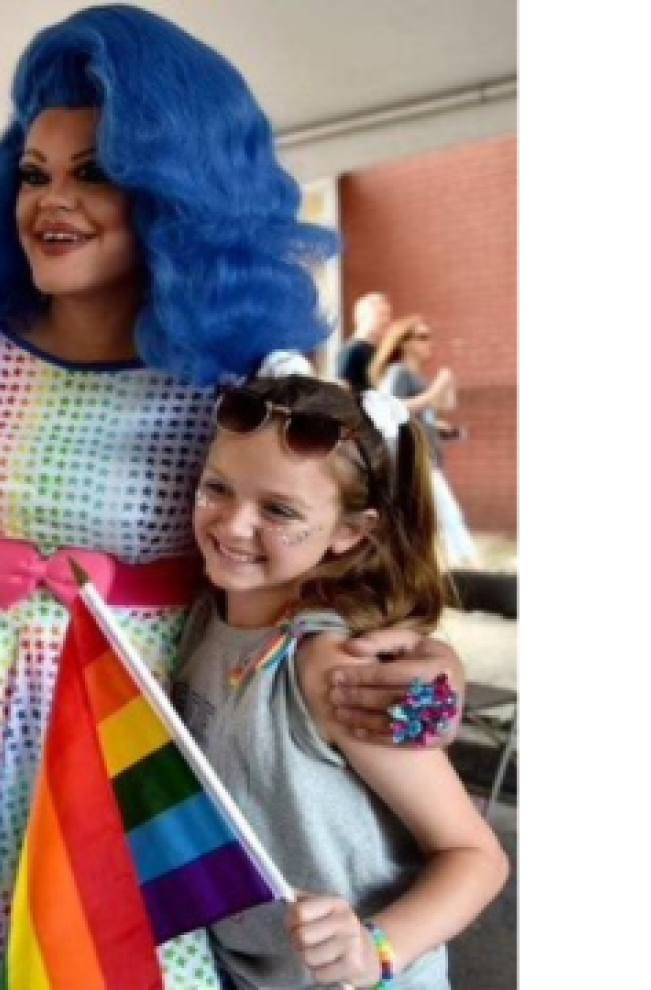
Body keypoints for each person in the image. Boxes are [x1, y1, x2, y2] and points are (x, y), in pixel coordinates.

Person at [0, 8, 469, 986]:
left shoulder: (245, 371)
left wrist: (418, 664)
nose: (50, 199)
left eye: (93, 171)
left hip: (155, 739)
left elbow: (332, 536)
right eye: (34, 172)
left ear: (176, 193)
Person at [178, 374, 508, 988]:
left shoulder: (329, 665)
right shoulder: (199, 618)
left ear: (350, 532)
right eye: (216, 489)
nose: (232, 524)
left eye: (279, 510)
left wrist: (376, 948)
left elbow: (476, 857)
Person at [369, 315, 478, 568]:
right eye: (422, 336)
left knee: (433, 517)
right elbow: (390, 407)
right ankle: (468, 564)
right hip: (414, 458)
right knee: (448, 513)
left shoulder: (419, 377)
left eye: (429, 336)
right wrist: (436, 389)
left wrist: (446, 385)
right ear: (404, 343)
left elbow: (445, 405)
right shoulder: (398, 372)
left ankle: (455, 568)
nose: (429, 342)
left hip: (429, 455)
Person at [337, 292, 392, 395]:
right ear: (362, 317)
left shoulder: (378, 351)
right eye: (381, 315)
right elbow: (341, 390)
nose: (386, 320)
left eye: (388, 315)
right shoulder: (353, 350)